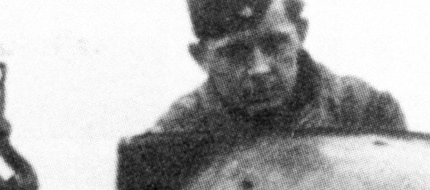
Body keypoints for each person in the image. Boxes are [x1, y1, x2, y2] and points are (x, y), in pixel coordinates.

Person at [151, 0, 406, 135]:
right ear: (201, 57)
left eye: (275, 44)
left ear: (301, 33)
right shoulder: (175, 137)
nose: (259, 69)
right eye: (235, 53)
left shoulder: (364, 111)